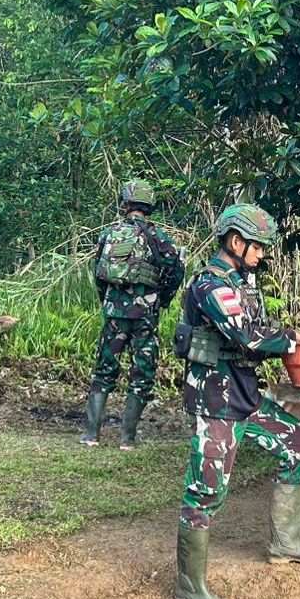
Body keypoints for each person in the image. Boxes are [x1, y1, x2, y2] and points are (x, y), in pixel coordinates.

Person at [172, 203, 300, 599]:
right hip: (214, 401)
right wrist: (293, 340)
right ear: (236, 241)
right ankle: (189, 586)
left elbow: (258, 330)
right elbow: (247, 334)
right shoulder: (210, 285)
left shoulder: (244, 282)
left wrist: (291, 336)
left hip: (242, 395)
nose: (261, 254)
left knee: (298, 445)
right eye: (257, 247)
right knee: (207, 489)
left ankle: (287, 541)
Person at [83, 180, 183, 448]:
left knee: (104, 370)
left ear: (125, 203)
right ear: (149, 205)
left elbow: (99, 273)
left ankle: (91, 434)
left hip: (114, 313)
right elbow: (176, 272)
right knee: (142, 375)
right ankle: (127, 438)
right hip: (145, 316)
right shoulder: (160, 239)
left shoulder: (109, 234)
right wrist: (162, 299)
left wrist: (108, 299)